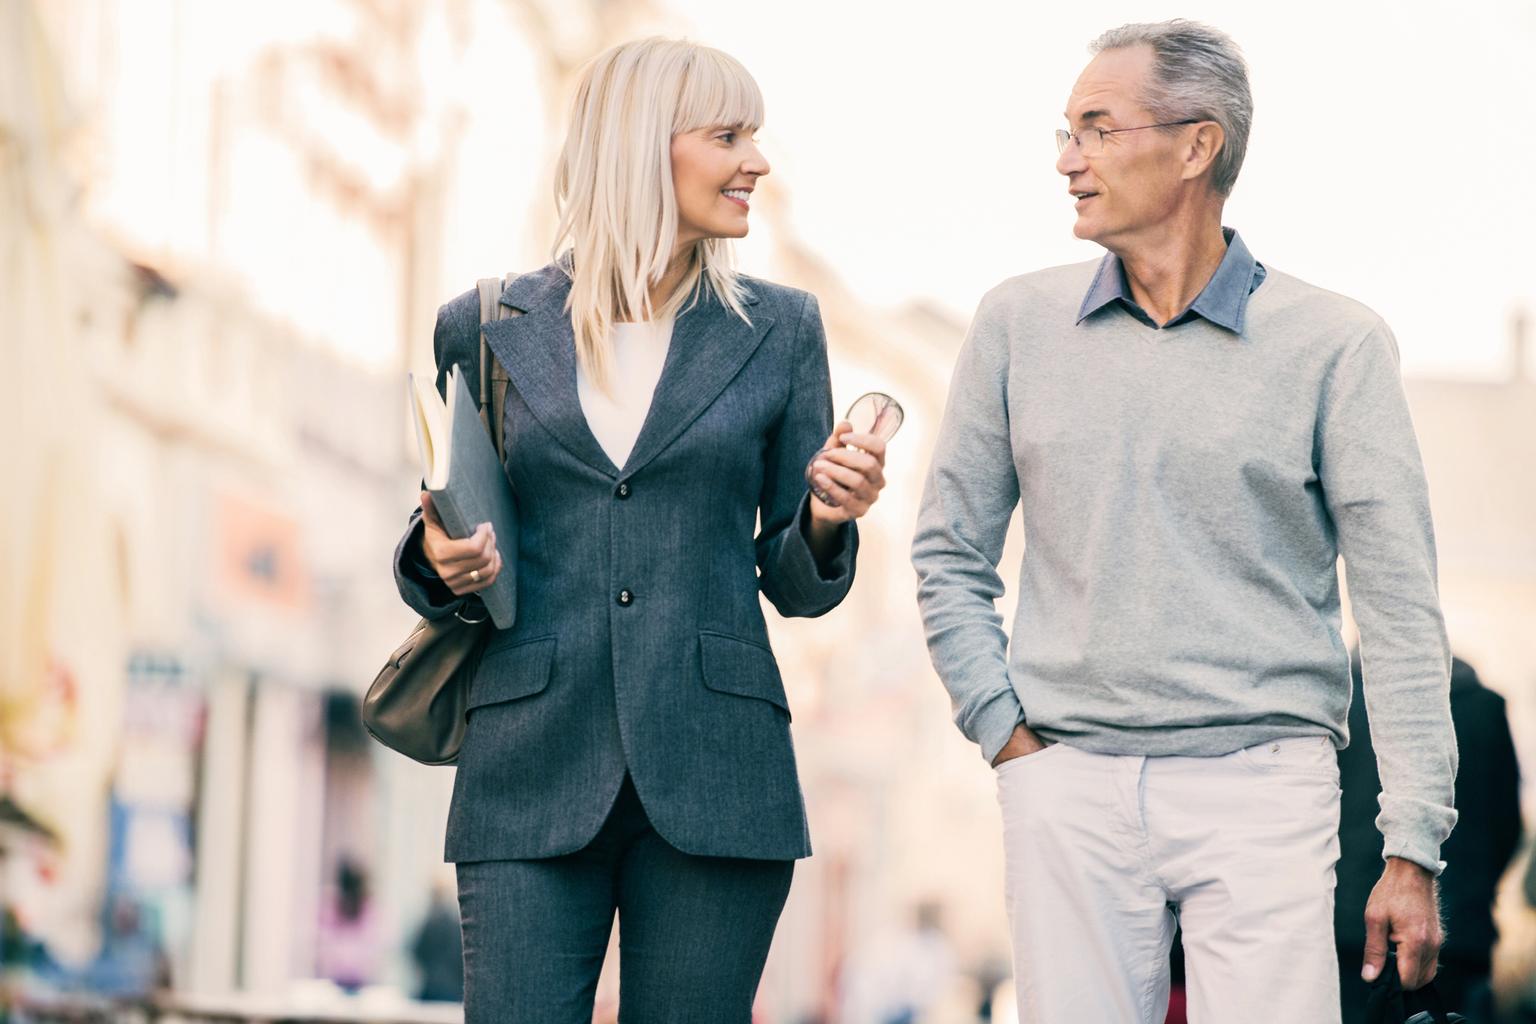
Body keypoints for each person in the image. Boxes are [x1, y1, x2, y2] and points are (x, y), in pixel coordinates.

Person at [911, 19, 1456, 1023]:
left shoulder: (1335, 345)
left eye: (1096, 128)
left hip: (1266, 781)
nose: (1067, 159)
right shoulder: (1015, 325)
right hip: (1064, 778)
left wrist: (1412, 843)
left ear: (1197, 145)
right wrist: (1007, 736)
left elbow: (1399, 608)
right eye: (1065, 131)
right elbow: (948, 550)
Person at [391, 37, 886, 1024]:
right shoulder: (483, 324)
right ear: (641, 147)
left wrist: (827, 516)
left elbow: (796, 579)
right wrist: (439, 559)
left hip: (717, 766)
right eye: (728, 136)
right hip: (527, 762)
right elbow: (431, 540)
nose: (758, 161)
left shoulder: (781, 329)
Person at [1336, 654, 1521, 1021]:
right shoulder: (1485, 707)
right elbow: (1506, 825)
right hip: (1455, 928)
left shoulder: (1341, 705)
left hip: (1349, 927)